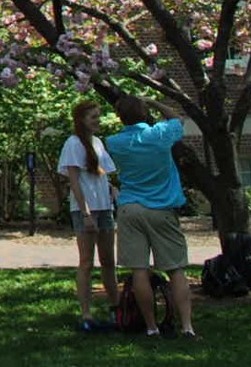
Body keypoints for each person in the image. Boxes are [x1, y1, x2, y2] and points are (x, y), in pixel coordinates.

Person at [103, 95, 198, 339]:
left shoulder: (113, 142)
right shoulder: (159, 135)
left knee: (139, 270)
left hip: (129, 208)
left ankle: (151, 327)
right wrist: (154, 103)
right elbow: (177, 118)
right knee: (175, 269)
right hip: (161, 209)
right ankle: (186, 326)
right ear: (144, 114)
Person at [58, 99, 119, 331]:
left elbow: (104, 174)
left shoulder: (98, 143)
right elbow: (74, 179)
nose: (98, 120)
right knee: (86, 262)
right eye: (93, 116)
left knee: (108, 262)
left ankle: (116, 308)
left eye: (98, 115)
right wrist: (85, 213)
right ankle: (86, 313)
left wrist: (112, 190)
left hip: (105, 208)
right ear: (81, 119)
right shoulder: (73, 143)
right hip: (86, 210)